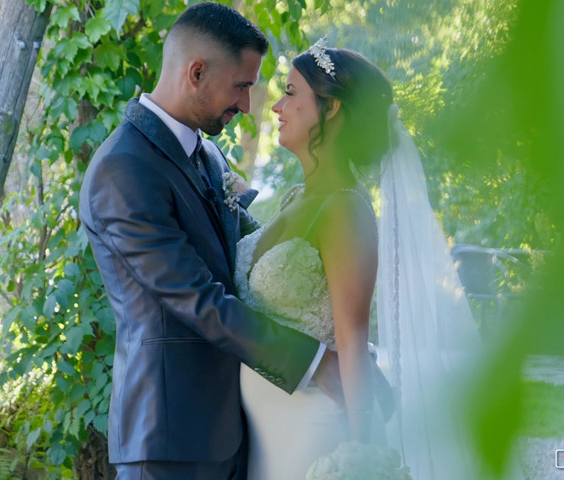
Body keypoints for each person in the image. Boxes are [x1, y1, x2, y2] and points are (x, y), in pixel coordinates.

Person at [78, 3, 341, 479]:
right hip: (168, 441)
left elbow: (251, 259)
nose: (246, 104)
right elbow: (199, 300)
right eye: (241, 86)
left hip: (236, 431)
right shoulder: (123, 170)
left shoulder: (210, 155)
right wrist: (318, 363)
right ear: (196, 72)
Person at [234, 38, 483, 479]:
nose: (277, 108)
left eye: (291, 93)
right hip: (266, 431)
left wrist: (360, 455)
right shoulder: (296, 197)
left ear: (331, 109)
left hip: (310, 432)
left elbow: (352, 343)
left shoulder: (346, 211)